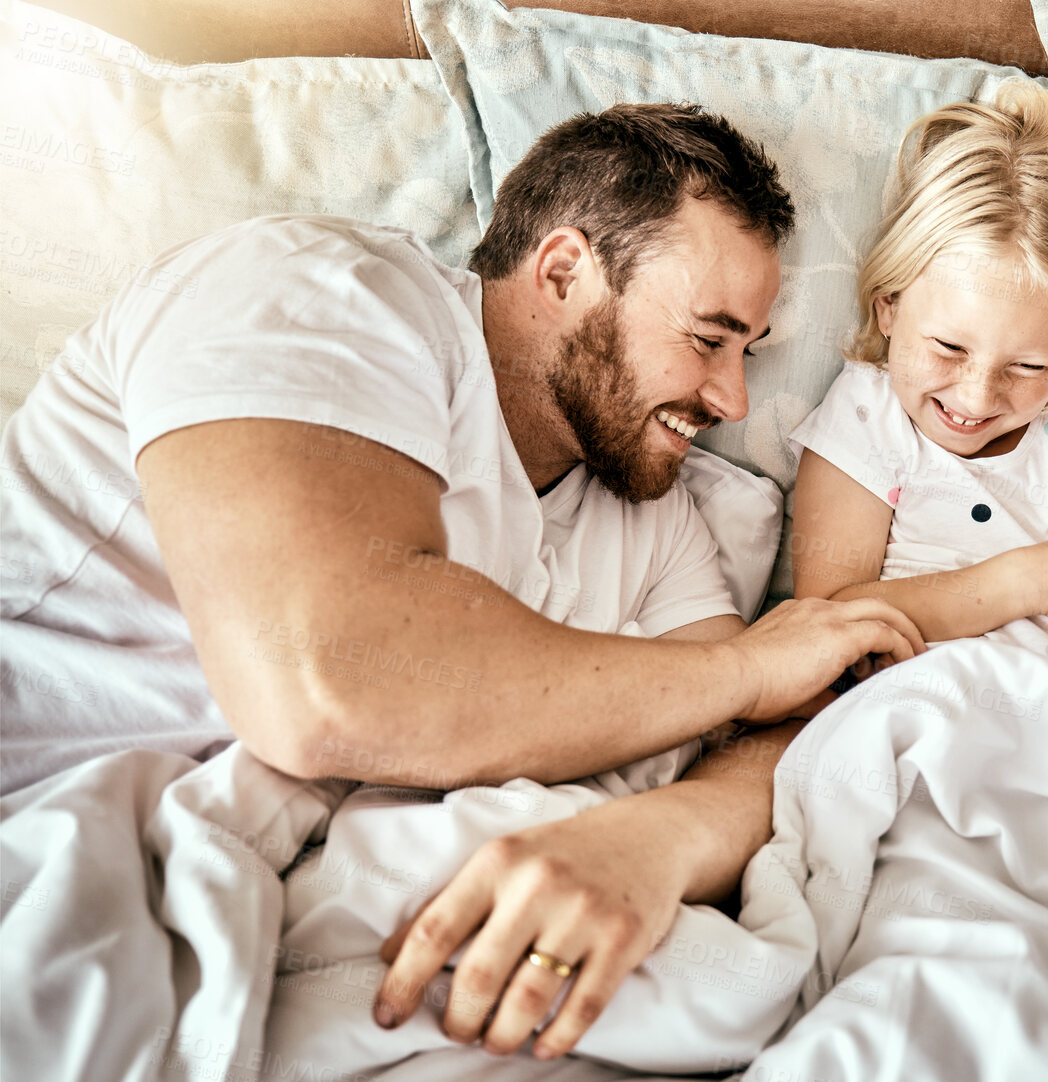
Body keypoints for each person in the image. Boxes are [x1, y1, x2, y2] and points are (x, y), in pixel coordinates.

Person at [0, 102, 925, 1057]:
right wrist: (748, 672)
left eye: (749, 354)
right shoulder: (317, 292)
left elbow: (771, 733)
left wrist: (660, 839)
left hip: (319, 918)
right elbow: (324, 684)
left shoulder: (651, 518)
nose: (731, 400)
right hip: (43, 821)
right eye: (705, 339)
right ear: (563, 271)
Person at [787, 80, 1048, 704]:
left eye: (1025, 366)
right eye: (949, 349)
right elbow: (822, 627)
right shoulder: (866, 410)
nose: (977, 395)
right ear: (889, 307)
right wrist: (1023, 581)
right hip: (921, 716)